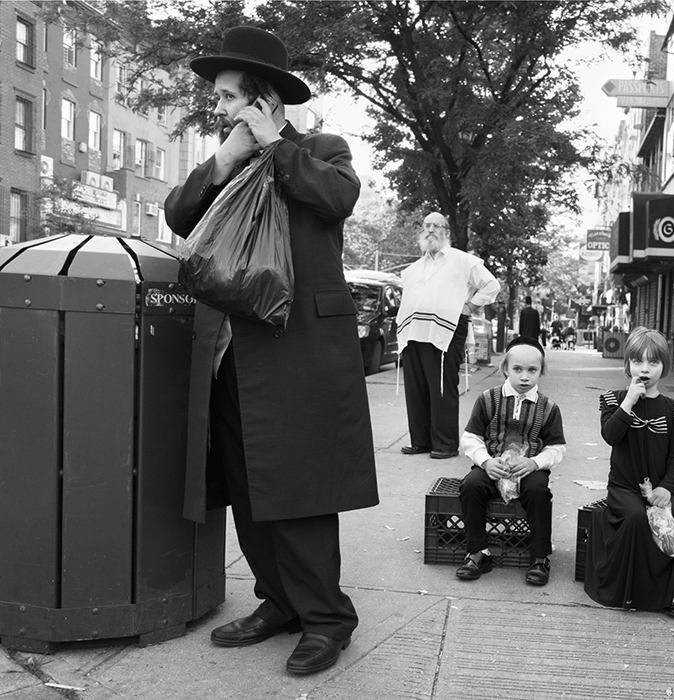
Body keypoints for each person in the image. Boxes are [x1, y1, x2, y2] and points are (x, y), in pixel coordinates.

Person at [165, 26, 378, 676]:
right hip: (235, 353)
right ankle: (278, 603)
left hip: (299, 351)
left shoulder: (318, 149)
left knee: (301, 487)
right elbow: (178, 214)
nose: (221, 109)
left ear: (261, 98)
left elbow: (336, 198)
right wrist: (228, 155)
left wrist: (272, 142)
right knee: (248, 486)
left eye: (231, 98)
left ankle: (326, 619)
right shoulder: (228, 163)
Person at [584, 327, 674, 620]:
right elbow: (611, 436)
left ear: (664, 367)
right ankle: (632, 588)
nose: (644, 369)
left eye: (653, 363)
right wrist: (629, 402)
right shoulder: (612, 400)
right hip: (624, 488)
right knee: (635, 517)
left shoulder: (673, 410)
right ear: (628, 365)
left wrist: (667, 488)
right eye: (637, 362)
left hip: (660, 487)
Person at [456, 336, 566, 585]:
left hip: (528, 468)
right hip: (493, 466)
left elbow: (557, 447)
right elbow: (471, 437)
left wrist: (535, 463)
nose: (524, 376)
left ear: (541, 372)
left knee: (538, 491)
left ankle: (539, 556)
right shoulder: (488, 399)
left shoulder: (548, 408)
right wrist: (485, 462)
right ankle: (478, 552)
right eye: (517, 369)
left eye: (532, 370)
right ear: (505, 368)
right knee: (471, 485)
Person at [396, 212, 500, 459]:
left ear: (446, 232)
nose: (430, 229)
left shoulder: (462, 260)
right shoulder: (413, 268)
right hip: (413, 331)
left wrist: (470, 307)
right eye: (426, 226)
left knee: (441, 386)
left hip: (447, 329)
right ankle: (420, 441)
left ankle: (444, 444)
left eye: (436, 226)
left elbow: (491, 285)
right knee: (416, 386)